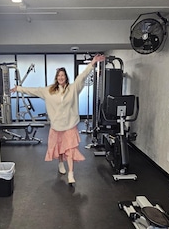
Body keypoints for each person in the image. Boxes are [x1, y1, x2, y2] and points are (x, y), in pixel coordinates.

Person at [11, 54, 105, 184]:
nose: (61, 77)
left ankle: (71, 173)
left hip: (70, 125)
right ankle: (61, 163)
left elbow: (82, 76)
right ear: (56, 78)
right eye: (58, 75)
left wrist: (93, 62)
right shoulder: (49, 90)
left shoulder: (73, 88)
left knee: (71, 149)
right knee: (60, 147)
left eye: (63, 75)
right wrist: (18, 88)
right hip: (57, 126)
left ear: (66, 77)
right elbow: (34, 91)